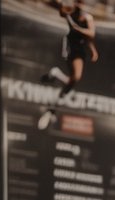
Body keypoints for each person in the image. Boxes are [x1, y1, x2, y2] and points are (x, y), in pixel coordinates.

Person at [38, 0, 99, 129]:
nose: (81, 5)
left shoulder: (88, 17)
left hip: (81, 48)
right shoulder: (70, 12)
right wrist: (61, 5)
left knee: (72, 81)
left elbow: (90, 34)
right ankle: (52, 109)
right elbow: (61, 11)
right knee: (75, 78)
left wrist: (92, 49)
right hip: (71, 46)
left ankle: (56, 77)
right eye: (79, 2)